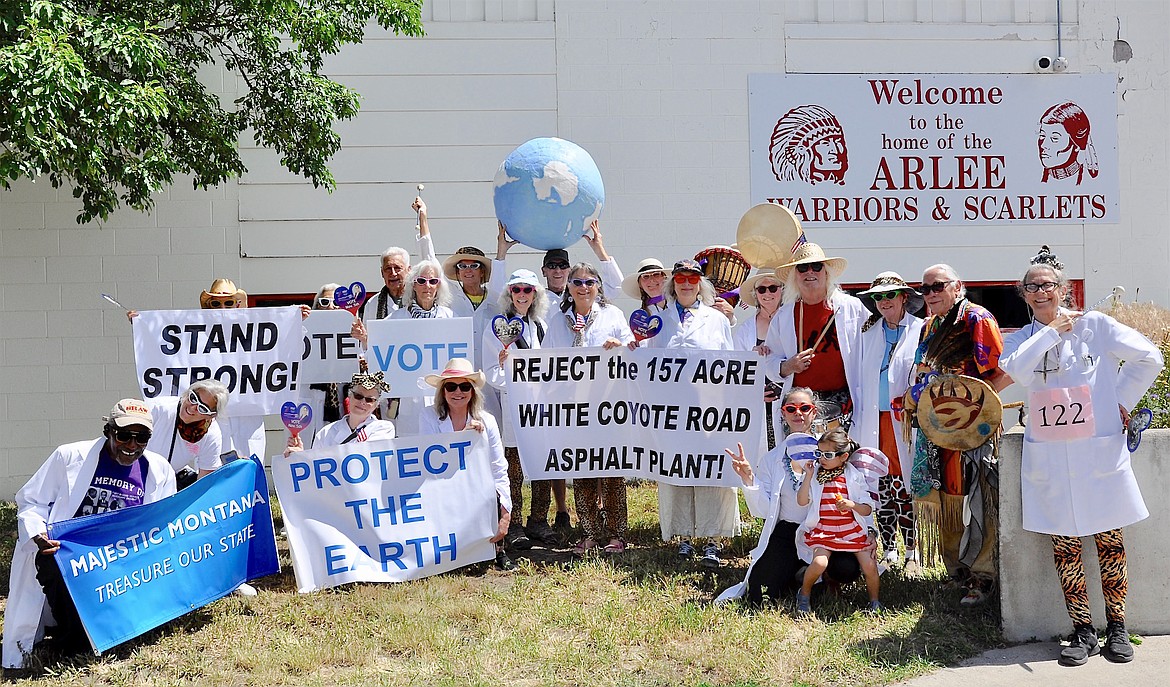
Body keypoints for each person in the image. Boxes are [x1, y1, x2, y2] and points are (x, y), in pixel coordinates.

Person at [1000, 246, 1162, 666]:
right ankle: (1082, 630)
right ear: (1023, 293)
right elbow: (1016, 372)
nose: (1041, 292)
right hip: (1050, 459)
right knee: (1065, 545)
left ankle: (1118, 628)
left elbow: (1150, 356)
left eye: (1048, 285)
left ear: (1063, 289)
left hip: (1098, 452)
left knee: (1110, 542)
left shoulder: (1096, 325)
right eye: (1032, 286)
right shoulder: (1021, 338)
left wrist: (1119, 399)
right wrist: (1052, 331)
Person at [2, 400, 177, 670]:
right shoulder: (69, 456)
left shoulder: (159, 469)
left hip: (122, 556)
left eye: (141, 437)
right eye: (124, 436)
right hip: (72, 553)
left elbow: (164, 522)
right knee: (51, 563)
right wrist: (37, 534)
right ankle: (73, 643)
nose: (132, 445)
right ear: (108, 430)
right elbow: (32, 501)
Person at [910, 264, 1011, 607]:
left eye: (937, 286)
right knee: (947, 499)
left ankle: (983, 575)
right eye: (924, 289)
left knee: (982, 498)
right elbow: (924, 372)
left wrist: (979, 413)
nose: (930, 293)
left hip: (973, 427)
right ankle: (957, 570)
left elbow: (1000, 372)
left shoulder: (976, 318)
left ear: (957, 287)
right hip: (937, 428)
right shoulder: (928, 326)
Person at [718, 387, 863, 607]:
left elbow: (855, 490)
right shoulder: (772, 458)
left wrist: (868, 530)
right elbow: (764, 511)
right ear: (783, 414)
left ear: (814, 412)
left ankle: (825, 576)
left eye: (805, 408)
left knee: (846, 569)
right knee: (759, 593)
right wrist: (749, 479)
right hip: (787, 531)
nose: (799, 413)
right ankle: (801, 574)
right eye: (791, 408)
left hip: (826, 531)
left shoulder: (830, 452)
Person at [642, 259, 738, 567]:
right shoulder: (658, 318)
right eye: (681, 278)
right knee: (676, 468)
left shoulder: (716, 319)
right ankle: (682, 537)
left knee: (711, 468)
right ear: (674, 282)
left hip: (709, 407)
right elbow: (646, 359)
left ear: (700, 283)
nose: (686, 283)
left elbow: (730, 361)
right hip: (671, 409)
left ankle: (713, 538)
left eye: (692, 278)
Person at [544, 262, 633, 554]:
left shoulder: (613, 315)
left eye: (590, 282)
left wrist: (620, 344)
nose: (584, 288)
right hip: (574, 408)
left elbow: (634, 350)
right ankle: (591, 532)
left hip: (608, 404)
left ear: (598, 286)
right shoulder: (558, 322)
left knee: (611, 470)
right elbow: (545, 361)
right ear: (568, 288)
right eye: (578, 283)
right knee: (582, 470)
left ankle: (617, 534)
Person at [484, 269, 561, 550]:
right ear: (509, 293)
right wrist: (511, 372)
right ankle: (514, 522)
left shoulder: (542, 325)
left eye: (528, 290)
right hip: (514, 407)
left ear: (536, 294)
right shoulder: (498, 327)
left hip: (542, 409)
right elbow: (491, 372)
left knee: (543, 464)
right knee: (513, 468)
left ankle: (539, 519)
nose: (522, 295)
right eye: (517, 290)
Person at [854, 272, 925, 574]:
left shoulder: (920, 330)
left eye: (890, 295)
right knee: (880, 487)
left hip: (906, 422)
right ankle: (889, 549)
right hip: (873, 420)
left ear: (904, 297)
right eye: (878, 297)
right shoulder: (867, 333)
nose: (884, 301)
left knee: (904, 486)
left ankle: (913, 550)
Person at [418, 358, 513, 571]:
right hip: (443, 487)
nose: (457, 392)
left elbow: (499, 468)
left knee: (492, 493)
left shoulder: (487, 421)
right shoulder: (428, 416)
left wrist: (505, 511)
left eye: (464, 386)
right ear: (443, 391)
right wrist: (463, 438)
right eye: (451, 386)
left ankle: (498, 550)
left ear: (472, 391)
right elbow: (432, 461)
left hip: (478, 488)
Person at [764, 243, 868, 434]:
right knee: (799, 461)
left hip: (843, 403)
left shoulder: (851, 308)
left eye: (817, 266)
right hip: (799, 407)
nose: (809, 272)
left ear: (826, 273)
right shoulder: (784, 315)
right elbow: (768, 362)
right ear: (795, 276)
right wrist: (787, 366)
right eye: (802, 268)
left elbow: (874, 344)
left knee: (837, 462)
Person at [794, 428, 887, 615]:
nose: (822, 459)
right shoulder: (816, 476)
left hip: (851, 529)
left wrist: (852, 505)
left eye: (828, 455)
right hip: (824, 529)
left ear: (844, 456)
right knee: (819, 563)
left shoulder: (853, 476)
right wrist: (809, 477)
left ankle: (875, 601)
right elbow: (802, 501)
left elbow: (868, 508)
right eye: (819, 453)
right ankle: (804, 593)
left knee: (869, 565)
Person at [386, 259, 454, 436]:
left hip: (442, 397)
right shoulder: (395, 319)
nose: (427, 286)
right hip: (409, 401)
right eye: (421, 281)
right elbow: (379, 353)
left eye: (433, 281)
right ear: (413, 285)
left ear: (439, 286)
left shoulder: (451, 318)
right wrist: (364, 339)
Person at [284, 360, 396, 457]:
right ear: (350, 396)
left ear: (376, 404)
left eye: (369, 400)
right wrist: (301, 456)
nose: (362, 402)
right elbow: (318, 469)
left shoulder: (383, 428)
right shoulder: (325, 433)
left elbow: (366, 458)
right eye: (358, 396)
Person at [732, 269, 785, 456]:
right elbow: (735, 371)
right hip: (758, 405)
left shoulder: (792, 320)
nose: (767, 294)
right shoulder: (746, 330)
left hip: (789, 402)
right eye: (762, 289)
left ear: (782, 290)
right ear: (755, 294)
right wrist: (753, 390)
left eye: (772, 288)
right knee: (760, 456)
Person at [145, 380, 229, 487]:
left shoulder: (211, 434)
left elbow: (205, 481)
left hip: (170, 481)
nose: (193, 407)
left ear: (211, 416)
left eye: (202, 408)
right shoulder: (157, 409)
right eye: (193, 398)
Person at [303, 283, 347, 444]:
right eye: (325, 302)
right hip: (309, 406)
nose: (331, 307)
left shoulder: (353, 334)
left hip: (339, 408)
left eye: (336, 303)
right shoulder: (302, 333)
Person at [1038, 102, 1099, 185]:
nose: (1043, 145)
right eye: (1042, 135)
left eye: (1055, 138)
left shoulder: (1091, 183)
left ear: (1076, 144)